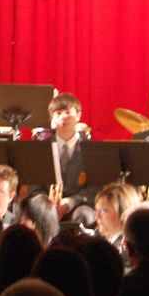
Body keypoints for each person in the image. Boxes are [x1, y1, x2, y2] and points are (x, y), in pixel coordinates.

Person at [33, 92, 98, 221]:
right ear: (51, 118)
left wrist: (69, 202)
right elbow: (33, 188)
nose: (63, 117)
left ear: (78, 116)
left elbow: (95, 188)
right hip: (47, 203)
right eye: (58, 113)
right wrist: (47, 202)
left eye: (68, 112)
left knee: (85, 215)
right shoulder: (41, 149)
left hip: (78, 204)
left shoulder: (91, 150)